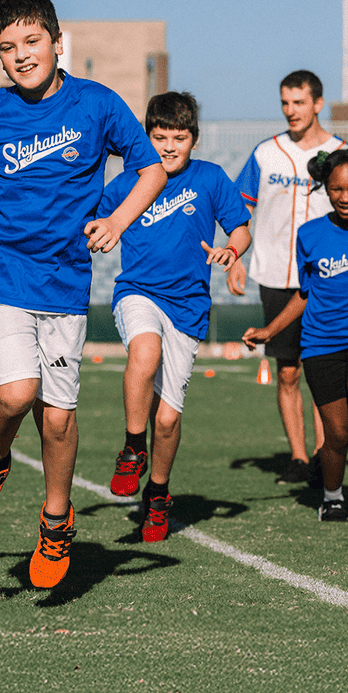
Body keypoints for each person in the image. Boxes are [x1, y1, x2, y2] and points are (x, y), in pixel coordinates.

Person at [0, 0, 164, 589]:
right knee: (16, 393)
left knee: (58, 420)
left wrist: (117, 220)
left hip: (63, 279)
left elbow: (152, 168)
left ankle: (56, 521)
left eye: (32, 41)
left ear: (58, 43)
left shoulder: (98, 104)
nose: (21, 55)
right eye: (7, 47)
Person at [96, 91, 251, 541]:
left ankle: (158, 494)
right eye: (159, 136)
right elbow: (90, 222)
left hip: (188, 306)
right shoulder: (129, 183)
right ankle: (131, 449)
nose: (168, 146)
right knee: (144, 353)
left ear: (194, 140)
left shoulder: (211, 178)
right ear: (146, 138)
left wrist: (232, 250)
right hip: (137, 293)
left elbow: (240, 227)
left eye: (178, 138)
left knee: (167, 420)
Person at [242, 136, 348, 525]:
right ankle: (333, 495)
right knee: (336, 434)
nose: (346, 196)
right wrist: (270, 330)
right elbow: (305, 295)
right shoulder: (310, 235)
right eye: (337, 189)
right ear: (325, 188)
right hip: (320, 343)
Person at [229, 71, 348, 486]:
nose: (290, 111)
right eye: (285, 103)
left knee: (324, 368)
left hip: (331, 279)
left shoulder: (342, 154)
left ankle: (323, 453)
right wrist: (234, 258)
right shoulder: (267, 154)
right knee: (288, 372)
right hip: (276, 274)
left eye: (298, 102)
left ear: (318, 104)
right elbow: (239, 210)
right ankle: (298, 458)